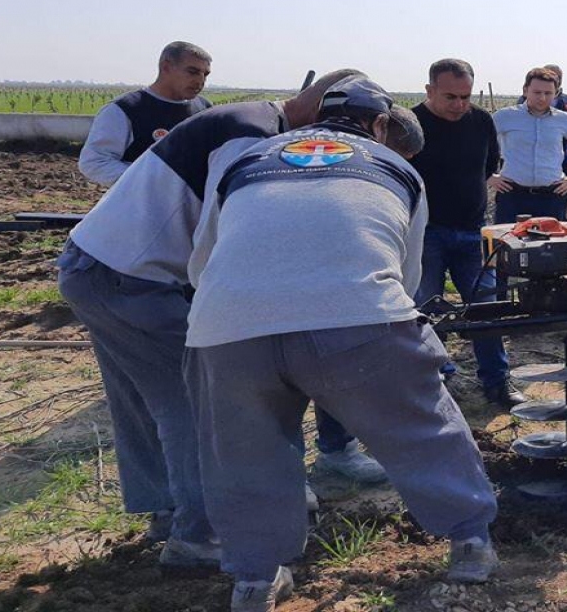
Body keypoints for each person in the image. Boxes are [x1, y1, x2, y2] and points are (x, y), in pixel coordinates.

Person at [186, 76, 498, 611]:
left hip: (227, 325)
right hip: (356, 315)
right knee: (423, 424)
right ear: (379, 125)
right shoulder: (395, 167)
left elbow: (204, 259)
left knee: (244, 453)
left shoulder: (247, 159)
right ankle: (470, 540)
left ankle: (256, 578)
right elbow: (406, 274)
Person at [57, 71, 387, 572]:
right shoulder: (249, 137)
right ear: (318, 109)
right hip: (136, 278)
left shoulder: (251, 119)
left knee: (144, 400)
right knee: (195, 404)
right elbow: (231, 231)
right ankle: (200, 534)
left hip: (100, 264)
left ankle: (169, 511)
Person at [410, 59, 523, 407]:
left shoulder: (481, 121)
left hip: (472, 232)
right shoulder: (410, 125)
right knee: (425, 309)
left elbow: (489, 165)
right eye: (450, 97)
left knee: (486, 307)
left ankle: (497, 381)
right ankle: (433, 380)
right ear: (429, 90)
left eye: (465, 96)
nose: (459, 104)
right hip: (425, 233)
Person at [79, 41, 213, 185]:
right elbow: (95, 162)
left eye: (205, 74)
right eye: (192, 72)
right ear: (166, 67)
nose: (200, 81)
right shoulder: (124, 109)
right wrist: (153, 181)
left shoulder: (204, 109)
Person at [490, 67, 567, 224]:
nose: (542, 98)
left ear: (556, 94)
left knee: (551, 240)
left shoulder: (564, 119)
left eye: (548, 93)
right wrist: (488, 176)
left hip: (551, 196)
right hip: (512, 194)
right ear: (525, 90)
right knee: (506, 238)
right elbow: (477, 144)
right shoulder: (504, 116)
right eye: (537, 92)